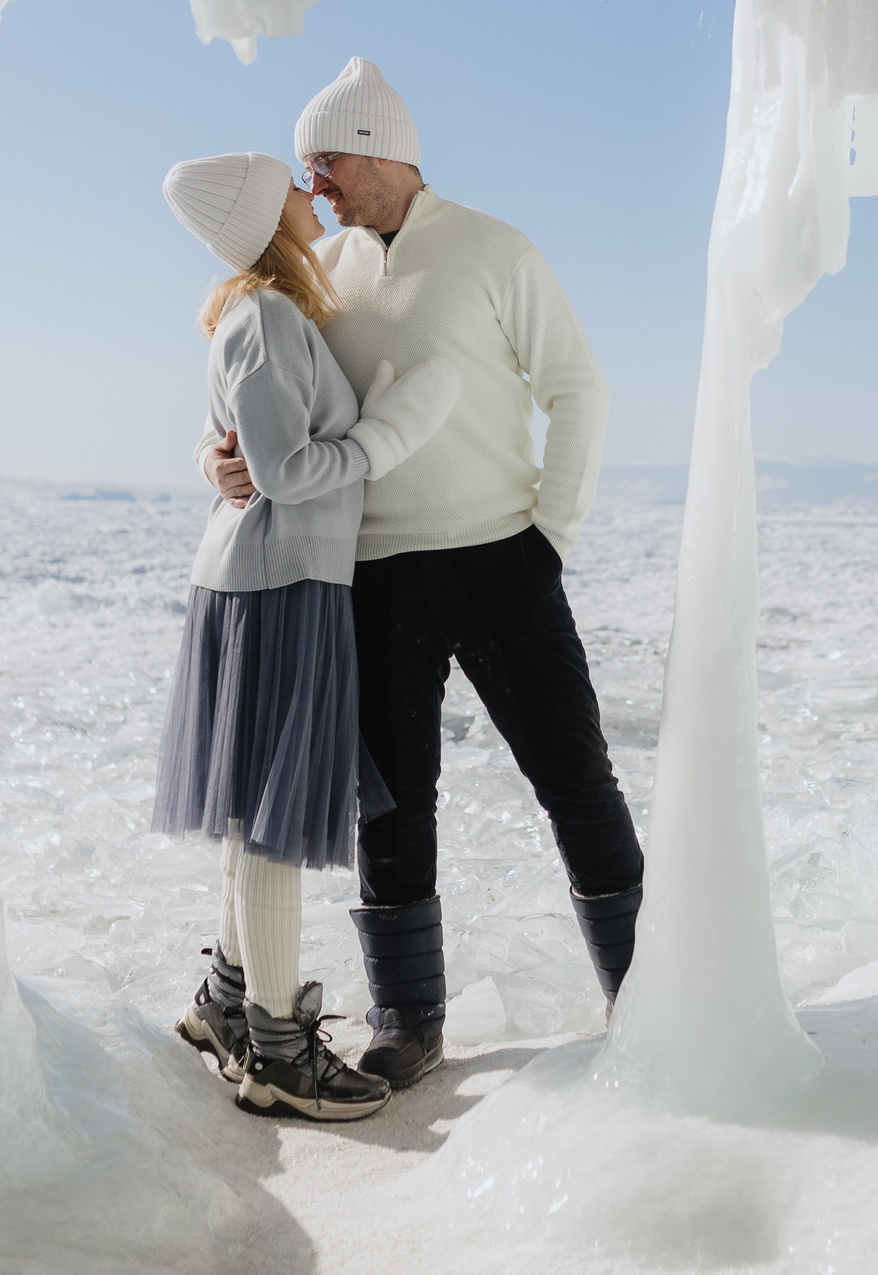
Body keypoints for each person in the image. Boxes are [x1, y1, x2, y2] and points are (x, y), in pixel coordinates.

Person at [201, 59, 644, 1092]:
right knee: (391, 807)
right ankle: (406, 1018)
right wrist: (214, 462)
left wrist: (549, 537)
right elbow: (254, 398)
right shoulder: (318, 274)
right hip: (370, 573)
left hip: (503, 560)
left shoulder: (494, 249)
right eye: (306, 169)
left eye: (325, 163)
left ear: (381, 149)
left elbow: (577, 390)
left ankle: (643, 991)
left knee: (574, 778)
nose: (314, 186)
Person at [155, 150, 460, 1122]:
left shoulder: (265, 315)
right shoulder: (266, 318)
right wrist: (382, 437)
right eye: (289, 181)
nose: (308, 187)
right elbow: (284, 471)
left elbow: (249, 448)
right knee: (272, 823)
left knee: (258, 814)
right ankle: (280, 1053)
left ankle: (226, 1004)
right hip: (277, 582)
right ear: (261, 213)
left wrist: (214, 459)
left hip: (276, 576)